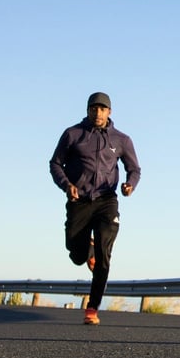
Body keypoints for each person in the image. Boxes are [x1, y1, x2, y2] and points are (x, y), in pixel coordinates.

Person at [49, 92, 141, 325]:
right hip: (79, 201)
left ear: (109, 112)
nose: (97, 113)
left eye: (102, 109)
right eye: (93, 109)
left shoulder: (121, 139)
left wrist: (130, 185)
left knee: (104, 253)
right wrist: (67, 185)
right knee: (76, 254)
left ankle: (92, 308)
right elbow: (55, 164)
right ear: (88, 110)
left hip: (106, 201)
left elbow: (135, 169)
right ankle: (85, 251)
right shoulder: (73, 134)